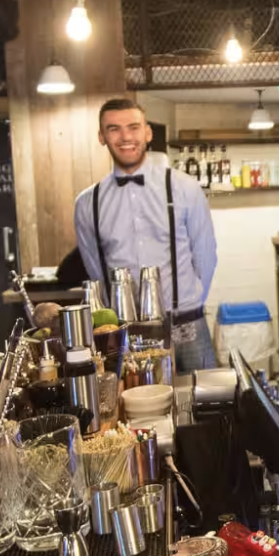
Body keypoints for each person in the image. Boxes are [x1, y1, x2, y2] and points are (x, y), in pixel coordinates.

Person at [73, 97, 218, 371]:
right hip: (126, 332)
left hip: (187, 326)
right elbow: (95, 270)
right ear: (102, 137)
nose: (125, 136)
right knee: (133, 408)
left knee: (206, 407)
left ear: (148, 132)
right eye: (114, 128)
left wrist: (188, 306)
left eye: (133, 127)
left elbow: (206, 256)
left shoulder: (185, 188)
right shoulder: (86, 203)